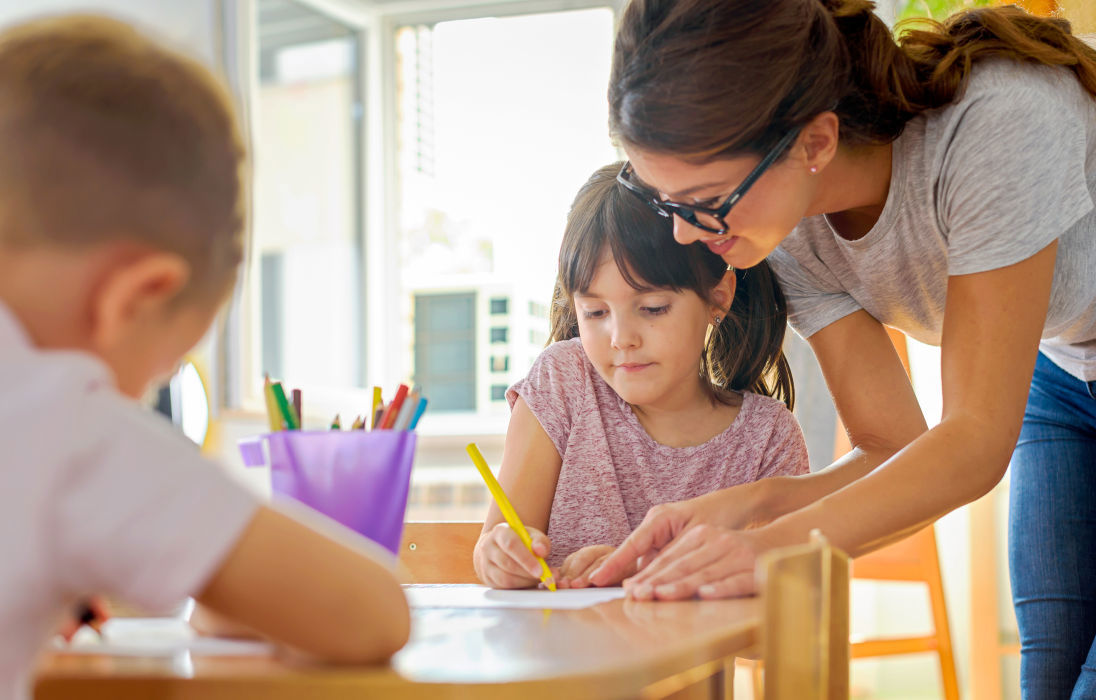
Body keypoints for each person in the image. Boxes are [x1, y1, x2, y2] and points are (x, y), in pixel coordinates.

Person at [586, 0, 1096, 696]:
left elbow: (973, 442)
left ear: (815, 143)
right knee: (1052, 682)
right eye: (668, 202)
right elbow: (893, 443)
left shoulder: (997, 125)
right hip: (1070, 375)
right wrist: (751, 509)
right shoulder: (784, 231)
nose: (687, 237)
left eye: (706, 201)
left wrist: (769, 550)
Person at [0, 16, 410, 700]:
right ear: (135, 297)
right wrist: (222, 576)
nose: (134, 399)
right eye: (154, 374)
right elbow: (371, 615)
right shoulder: (65, 419)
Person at [472, 163, 809, 590]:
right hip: (555, 653)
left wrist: (638, 572)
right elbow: (496, 546)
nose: (621, 338)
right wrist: (498, 556)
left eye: (652, 309)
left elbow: (785, 601)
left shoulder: (767, 437)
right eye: (595, 313)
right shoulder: (563, 381)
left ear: (717, 298)